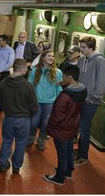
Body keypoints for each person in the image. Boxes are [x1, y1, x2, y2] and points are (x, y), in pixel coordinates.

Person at [43, 65, 87, 185]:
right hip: (73, 125)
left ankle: (59, 177)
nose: (62, 78)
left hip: (62, 128)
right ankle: (68, 171)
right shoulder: (82, 90)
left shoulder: (65, 96)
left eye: (64, 76)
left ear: (70, 77)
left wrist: (49, 128)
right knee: (69, 149)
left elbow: (57, 116)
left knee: (62, 153)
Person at [0, 58, 38, 173]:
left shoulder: (3, 83)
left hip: (8, 118)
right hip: (23, 120)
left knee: (7, 141)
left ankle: (3, 163)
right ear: (24, 70)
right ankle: (16, 166)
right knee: (21, 143)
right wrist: (28, 114)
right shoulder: (28, 86)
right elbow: (34, 106)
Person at [74, 36, 105, 166]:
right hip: (80, 98)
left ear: (91, 47)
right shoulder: (82, 59)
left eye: (83, 47)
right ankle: (80, 150)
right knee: (79, 126)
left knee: (84, 128)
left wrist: (94, 98)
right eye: (80, 47)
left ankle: (83, 156)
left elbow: (101, 81)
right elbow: (78, 77)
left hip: (91, 100)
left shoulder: (99, 60)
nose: (80, 50)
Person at [27, 50, 63, 150]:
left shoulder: (58, 72)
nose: (51, 58)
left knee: (45, 124)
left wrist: (58, 101)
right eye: (49, 56)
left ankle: (42, 139)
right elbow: (30, 86)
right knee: (34, 123)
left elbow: (58, 88)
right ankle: (31, 137)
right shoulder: (34, 71)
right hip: (37, 102)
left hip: (49, 103)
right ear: (43, 58)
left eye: (53, 56)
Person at [0, 34, 15, 114]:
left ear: (5, 41)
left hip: (4, 74)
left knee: (4, 91)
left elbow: (10, 63)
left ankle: (6, 107)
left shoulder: (10, 51)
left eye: (0, 40)